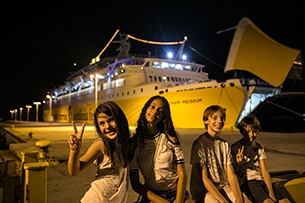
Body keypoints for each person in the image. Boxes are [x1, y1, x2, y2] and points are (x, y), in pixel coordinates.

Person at [67, 101, 136, 203]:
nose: (107, 126)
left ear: (119, 119)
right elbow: (74, 171)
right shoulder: (101, 145)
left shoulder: (127, 143)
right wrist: (74, 151)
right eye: (102, 123)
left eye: (111, 120)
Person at [129, 95, 193, 203]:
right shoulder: (135, 143)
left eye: (160, 111)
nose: (155, 112)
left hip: (176, 192)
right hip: (152, 194)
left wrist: (178, 201)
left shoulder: (170, 137)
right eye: (152, 107)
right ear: (146, 109)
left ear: (164, 116)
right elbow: (135, 184)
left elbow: (182, 173)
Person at [190, 105, 247, 203]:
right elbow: (204, 178)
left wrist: (239, 198)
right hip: (203, 189)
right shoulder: (199, 144)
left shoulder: (224, 144)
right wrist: (223, 201)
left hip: (222, 185)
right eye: (215, 118)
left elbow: (231, 174)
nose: (220, 121)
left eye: (222, 118)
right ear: (206, 121)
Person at [231, 116, 291, 203]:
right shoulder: (235, 148)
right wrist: (238, 163)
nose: (251, 135)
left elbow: (264, 170)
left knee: (285, 201)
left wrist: (271, 192)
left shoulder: (259, 147)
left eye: (254, 131)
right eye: (247, 132)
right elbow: (232, 173)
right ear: (241, 131)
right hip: (248, 182)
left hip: (260, 180)